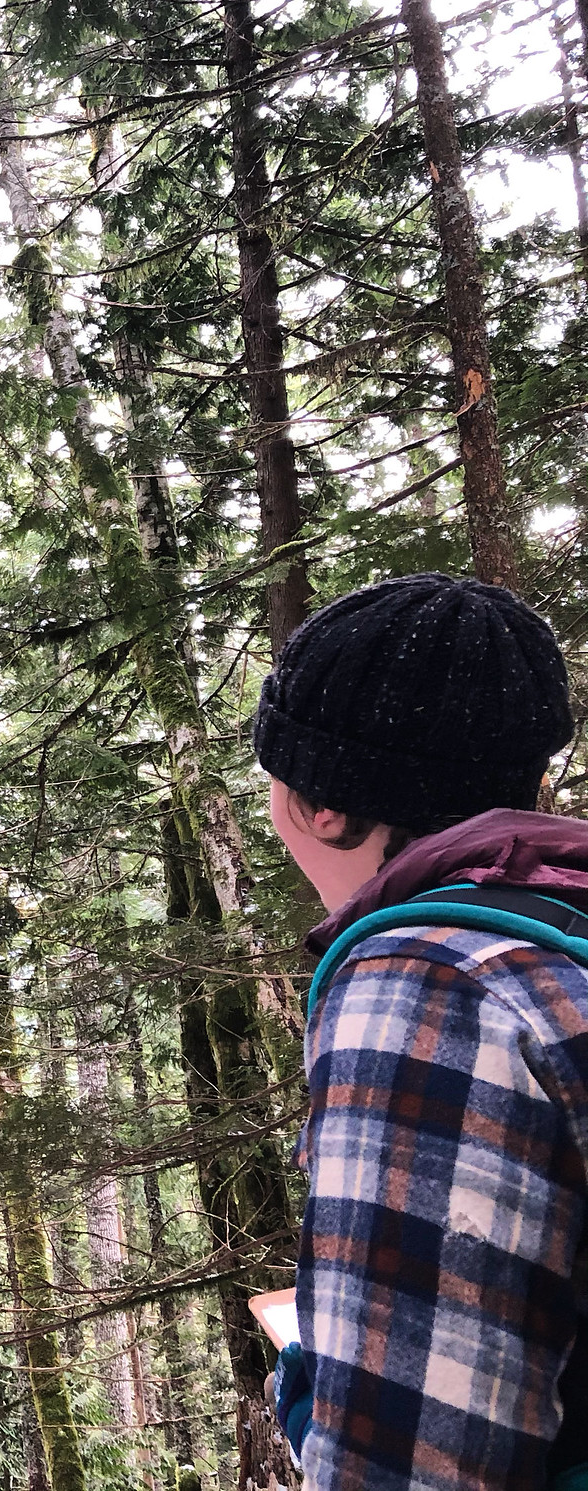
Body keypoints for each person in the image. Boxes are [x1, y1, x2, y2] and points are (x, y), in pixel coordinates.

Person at [255, 573, 588, 1488]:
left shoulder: (430, 981)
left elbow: (412, 1467)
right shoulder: (565, 934)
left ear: (325, 807)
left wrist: (310, 1399)